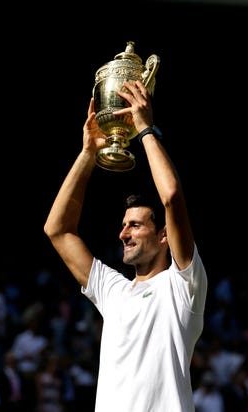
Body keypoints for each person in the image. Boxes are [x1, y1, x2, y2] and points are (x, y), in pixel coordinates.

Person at [44, 79, 208, 411]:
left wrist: (146, 130)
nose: (123, 234)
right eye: (122, 226)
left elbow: (172, 197)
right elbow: (57, 230)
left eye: (134, 225)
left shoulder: (183, 285)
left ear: (163, 235)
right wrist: (88, 154)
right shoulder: (113, 290)